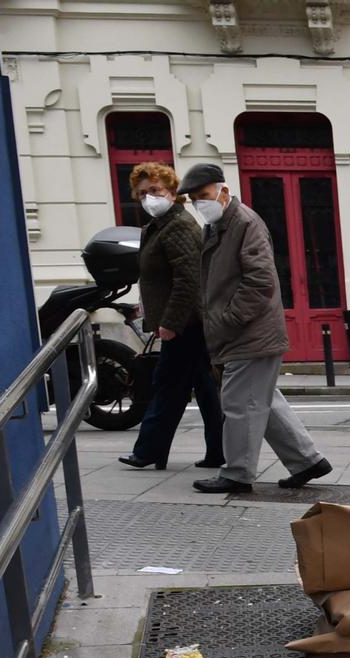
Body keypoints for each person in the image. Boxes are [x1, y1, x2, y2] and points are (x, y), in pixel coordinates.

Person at [181, 163, 332, 495]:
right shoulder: (220, 224)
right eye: (194, 199)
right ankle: (308, 461)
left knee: (240, 404)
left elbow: (260, 280)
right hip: (241, 332)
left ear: (223, 190)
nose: (198, 204)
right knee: (261, 400)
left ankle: (236, 473)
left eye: (203, 196)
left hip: (248, 332)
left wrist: (229, 319)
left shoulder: (245, 222)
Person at [117, 162, 225, 470]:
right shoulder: (160, 225)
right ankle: (218, 451)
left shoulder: (177, 225)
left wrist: (169, 322)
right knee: (202, 389)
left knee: (168, 384)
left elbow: (189, 279)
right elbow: (158, 277)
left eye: (155, 190)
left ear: (172, 192)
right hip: (185, 323)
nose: (149, 197)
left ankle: (150, 450)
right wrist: (147, 307)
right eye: (142, 193)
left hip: (187, 324)